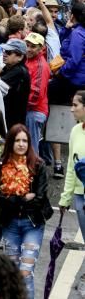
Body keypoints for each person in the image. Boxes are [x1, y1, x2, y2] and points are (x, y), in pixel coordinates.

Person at [0, 124, 53, 299]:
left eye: (25, 141)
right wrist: (22, 198)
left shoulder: (38, 165)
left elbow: (40, 198)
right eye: (17, 140)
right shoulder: (1, 165)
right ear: (10, 143)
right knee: (13, 274)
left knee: (25, 273)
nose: (21, 144)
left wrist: (13, 197)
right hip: (10, 225)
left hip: (32, 224)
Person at [59, 90, 85, 242]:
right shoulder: (75, 131)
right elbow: (70, 166)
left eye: (75, 105)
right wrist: (65, 198)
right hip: (79, 196)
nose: (71, 109)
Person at [24, 32, 49, 154]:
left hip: (34, 112)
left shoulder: (40, 65)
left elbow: (35, 95)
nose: (28, 49)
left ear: (41, 48)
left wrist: (21, 106)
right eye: (27, 45)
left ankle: (34, 171)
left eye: (33, 46)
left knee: (31, 148)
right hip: (31, 110)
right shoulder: (29, 60)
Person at [0, 40, 31, 130]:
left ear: (20, 57)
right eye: (4, 51)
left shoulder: (19, 71)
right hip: (7, 120)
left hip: (13, 124)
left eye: (8, 52)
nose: (4, 54)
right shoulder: (8, 68)